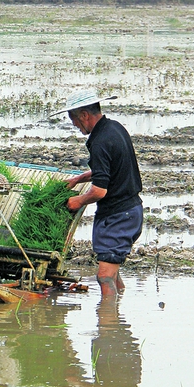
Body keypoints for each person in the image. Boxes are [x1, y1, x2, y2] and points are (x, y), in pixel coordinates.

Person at [52, 90, 143, 297]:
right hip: (132, 210)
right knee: (113, 273)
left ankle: (108, 326)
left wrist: (78, 201)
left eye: (73, 119)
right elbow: (111, 169)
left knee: (104, 277)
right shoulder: (115, 128)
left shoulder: (100, 141)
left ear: (84, 115)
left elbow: (99, 191)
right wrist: (79, 179)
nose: (75, 125)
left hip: (118, 216)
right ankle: (117, 317)